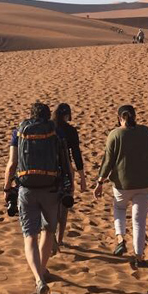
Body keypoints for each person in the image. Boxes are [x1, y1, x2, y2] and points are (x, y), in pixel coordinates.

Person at [3, 102, 73, 294]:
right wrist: (71, 185)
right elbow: (65, 163)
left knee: (29, 236)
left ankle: (39, 278)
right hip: (51, 189)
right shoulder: (56, 133)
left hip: (26, 190)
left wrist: (7, 188)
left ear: (30, 115)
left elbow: (11, 164)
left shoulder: (19, 132)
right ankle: (41, 273)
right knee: (48, 232)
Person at [93, 105, 148, 266]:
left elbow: (107, 162)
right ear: (135, 116)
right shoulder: (146, 132)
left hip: (122, 184)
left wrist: (100, 182)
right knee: (139, 220)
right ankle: (138, 257)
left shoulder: (115, 134)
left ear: (119, 118)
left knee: (119, 209)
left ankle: (120, 238)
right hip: (146, 182)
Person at [52, 103, 86, 253]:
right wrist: (82, 177)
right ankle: (59, 240)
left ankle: (51, 238)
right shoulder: (70, 131)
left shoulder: (47, 128)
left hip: (48, 171)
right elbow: (76, 154)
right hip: (66, 171)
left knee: (50, 206)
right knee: (64, 206)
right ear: (67, 116)